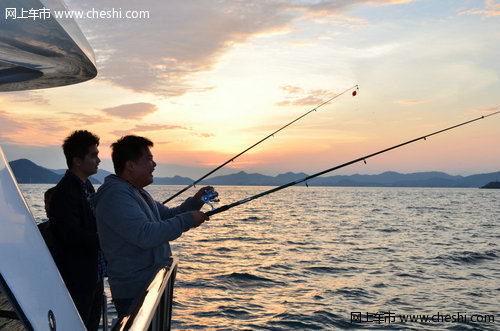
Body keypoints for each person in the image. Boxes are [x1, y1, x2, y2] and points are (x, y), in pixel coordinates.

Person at [93, 135, 209, 319]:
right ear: (130, 165)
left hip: (149, 284)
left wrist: (195, 202)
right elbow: (145, 235)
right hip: (134, 290)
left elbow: (168, 215)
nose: (154, 164)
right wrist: (188, 220)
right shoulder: (115, 195)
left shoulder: (136, 192)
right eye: (148, 159)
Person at [49, 130, 104, 330]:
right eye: (93, 155)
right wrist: (107, 239)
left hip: (94, 277)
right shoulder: (65, 193)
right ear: (77, 161)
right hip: (77, 281)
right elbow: (71, 237)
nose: (99, 160)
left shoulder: (88, 187)